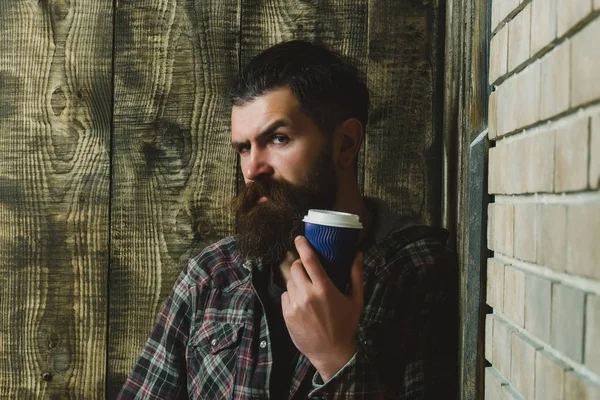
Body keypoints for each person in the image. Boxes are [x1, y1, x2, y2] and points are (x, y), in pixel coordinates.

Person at [117, 40, 458, 400]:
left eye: (278, 139)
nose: (252, 168)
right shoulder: (212, 274)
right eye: (244, 148)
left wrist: (335, 357)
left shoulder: (415, 273)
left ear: (345, 143)